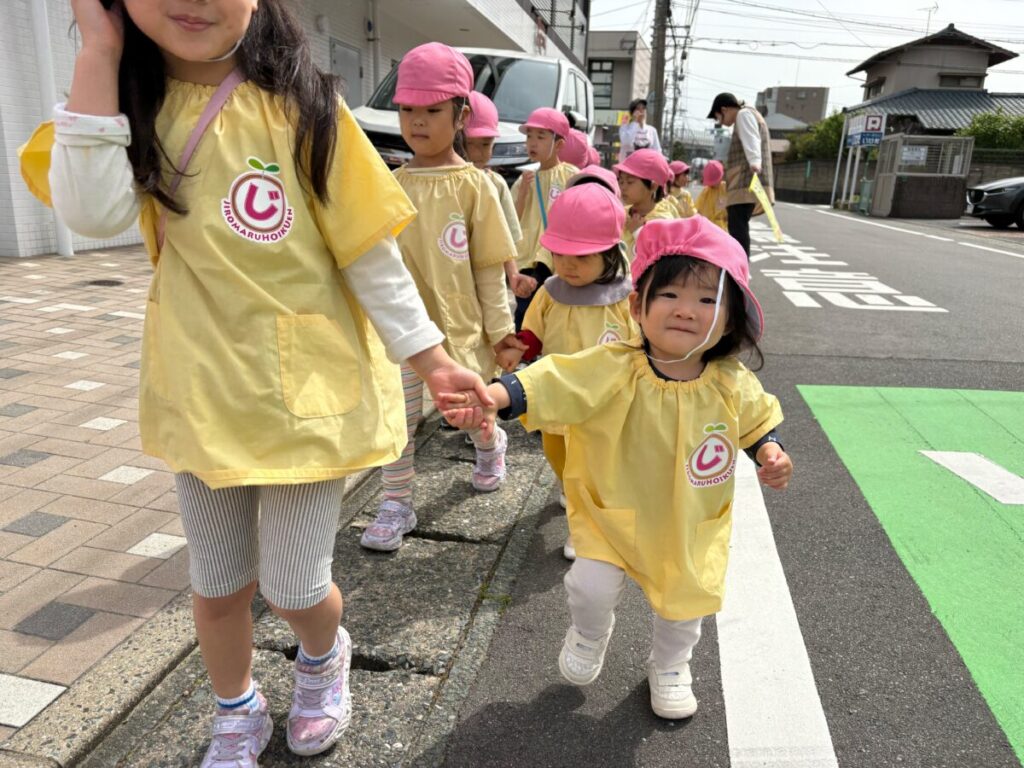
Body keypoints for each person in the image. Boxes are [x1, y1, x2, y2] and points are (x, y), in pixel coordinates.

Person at [42, 3, 495, 766]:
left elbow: (367, 254)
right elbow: (91, 213)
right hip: (202, 391)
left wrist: (431, 357)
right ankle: (236, 705)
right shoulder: (132, 102)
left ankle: (322, 656)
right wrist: (98, 49)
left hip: (307, 399)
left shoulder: (307, 107)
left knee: (293, 585)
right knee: (216, 586)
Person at [440, 215, 793, 721]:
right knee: (590, 586)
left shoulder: (730, 383)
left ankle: (671, 665)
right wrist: (494, 396)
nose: (686, 311)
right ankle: (589, 632)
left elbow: (758, 424)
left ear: (732, 320)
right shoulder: (612, 365)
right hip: (612, 509)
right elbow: (552, 380)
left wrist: (770, 452)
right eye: (669, 295)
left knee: (683, 604)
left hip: (686, 523)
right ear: (637, 305)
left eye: (708, 300)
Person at [361, 43, 526, 553]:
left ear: (460, 115)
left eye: (432, 110)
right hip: (402, 338)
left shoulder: (475, 186)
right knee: (398, 421)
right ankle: (396, 503)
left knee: (469, 414)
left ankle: (490, 444)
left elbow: (485, 271)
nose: (417, 121)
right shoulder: (388, 183)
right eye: (408, 109)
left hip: (458, 332)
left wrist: (501, 333)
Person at [495, 184, 637, 560]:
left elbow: (642, 346)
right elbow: (535, 332)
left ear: (610, 253)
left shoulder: (625, 298)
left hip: (602, 405)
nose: (568, 265)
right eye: (559, 253)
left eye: (581, 256)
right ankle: (571, 487)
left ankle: (584, 526)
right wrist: (519, 345)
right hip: (557, 400)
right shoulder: (551, 291)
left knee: (591, 469)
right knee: (558, 454)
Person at [464, 90, 536, 301]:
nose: (477, 152)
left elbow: (506, 239)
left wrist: (513, 275)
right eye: (470, 143)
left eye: (485, 144)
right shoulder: (441, 183)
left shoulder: (496, 184)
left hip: (486, 282)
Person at [510, 108, 579, 329]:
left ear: (558, 145)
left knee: (552, 312)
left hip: (556, 258)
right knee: (525, 310)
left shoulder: (571, 175)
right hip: (528, 255)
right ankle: (525, 355)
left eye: (541, 137)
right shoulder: (525, 179)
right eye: (529, 136)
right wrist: (522, 193)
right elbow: (513, 219)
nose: (533, 143)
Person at [707, 92, 774, 257]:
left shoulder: (743, 115)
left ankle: (739, 269)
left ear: (724, 109)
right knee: (740, 226)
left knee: (738, 228)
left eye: (719, 117)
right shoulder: (751, 113)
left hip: (745, 182)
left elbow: (752, 140)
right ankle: (739, 267)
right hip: (748, 181)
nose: (721, 123)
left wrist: (754, 162)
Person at [613, 148, 678, 261]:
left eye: (630, 182)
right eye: (621, 181)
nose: (623, 187)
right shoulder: (621, 212)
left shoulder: (662, 221)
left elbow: (661, 260)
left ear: (653, 186)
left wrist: (638, 232)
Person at [618, 97, 662, 162]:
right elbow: (626, 142)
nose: (641, 111)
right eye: (638, 109)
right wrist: (635, 122)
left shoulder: (652, 130)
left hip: (646, 165)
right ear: (632, 113)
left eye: (643, 108)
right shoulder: (625, 128)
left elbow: (657, 151)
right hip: (629, 165)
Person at [696, 160, 728, 231]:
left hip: (724, 229)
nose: (712, 185)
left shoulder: (725, 188)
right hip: (708, 228)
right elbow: (698, 210)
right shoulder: (705, 192)